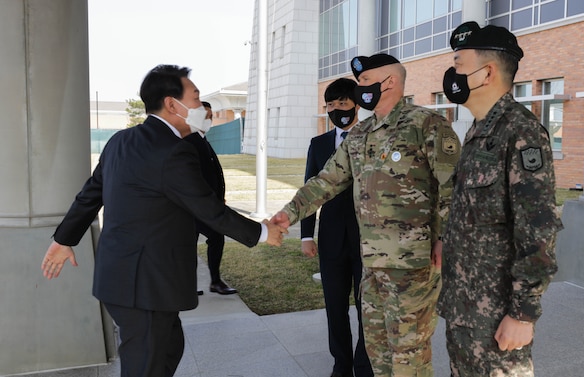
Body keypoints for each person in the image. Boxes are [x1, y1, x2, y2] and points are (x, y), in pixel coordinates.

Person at [40, 64, 286, 377]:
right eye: (195, 98)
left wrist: (63, 240)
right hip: (145, 286)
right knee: (148, 363)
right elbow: (209, 209)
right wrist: (264, 233)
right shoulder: (173, 151)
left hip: (124, 280)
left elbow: (89, 195)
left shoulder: (120, 141)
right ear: (172, 104)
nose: (202, 108)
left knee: (169, 347)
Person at [272, 53, 461, 376]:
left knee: (408, 358)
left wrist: (446, 239)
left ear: (388, 82)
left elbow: (455, 187)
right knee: (378, 354)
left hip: (412, 267)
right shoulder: (360, 136)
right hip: (371, 267)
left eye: (362, 82)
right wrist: (288, 215)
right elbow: (327, 181)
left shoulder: (426, 125)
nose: (359, 90)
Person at [438, 22, 564, 376]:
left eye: (459, 64)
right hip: (465, 310)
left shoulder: (520, 132)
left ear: (487, 72)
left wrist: (523, 313)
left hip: (497, 317)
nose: (452, 73)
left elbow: (539, 230)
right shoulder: (479, 131)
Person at [300, 78, 373, 377]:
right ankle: (341, 365)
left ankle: (364, 366)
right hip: (331, 239)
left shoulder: (373, 138)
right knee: (335, 307)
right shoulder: (318, 144)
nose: (336, 110)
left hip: (368, 239)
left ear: (355, 104)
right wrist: (306, 235)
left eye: (342, 103)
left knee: (367, 307)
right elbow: (310, 187)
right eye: (330, 105)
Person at [184, 101, 237, 295]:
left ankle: (199, 283)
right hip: (198, 206)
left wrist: (220, 197)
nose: (209, 119)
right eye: (205, 116)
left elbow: (213, 173)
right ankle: (210, 282)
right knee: (214, 237)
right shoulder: (190, 141)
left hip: (208, 204)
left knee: (195, 242)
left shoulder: (202, 139)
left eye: (210, 116)